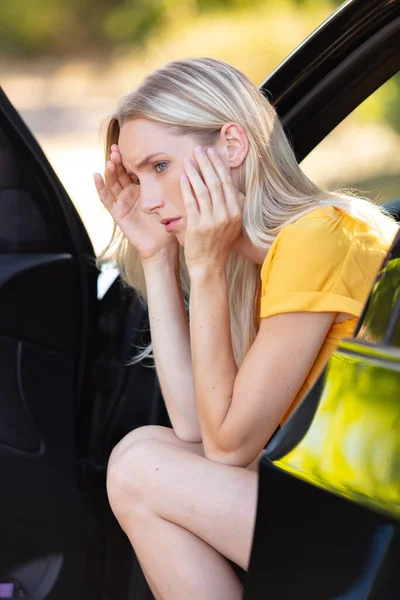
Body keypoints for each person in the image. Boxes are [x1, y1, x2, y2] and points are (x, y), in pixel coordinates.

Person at [93, 57, 398, 599]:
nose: (149, 197)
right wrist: (159, 258)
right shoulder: (260, 263)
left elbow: (228, 448)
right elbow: (193, 426)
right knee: (142, 453)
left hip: (379, 531)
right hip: (357, 512)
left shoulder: (321, 236)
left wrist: (205, 269)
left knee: (140, 470)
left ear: (232, 146)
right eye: (137, 178)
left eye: (160, 166)